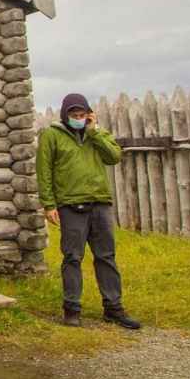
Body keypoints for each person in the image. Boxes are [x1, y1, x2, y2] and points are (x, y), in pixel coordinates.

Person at [36, 93, 142, 330]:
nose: (78, 119)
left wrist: (95, 132)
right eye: (73, 116)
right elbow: (44, 171)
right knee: (73, 257)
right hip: (71, 206)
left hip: (100, 204)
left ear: (89, 115)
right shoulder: (52, 135)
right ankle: (71, 309)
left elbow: (114, 156)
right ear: (65, 115)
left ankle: (114, 308)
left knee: (106, 256)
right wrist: (49, 205)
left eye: (82, 115)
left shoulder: (97, 135)